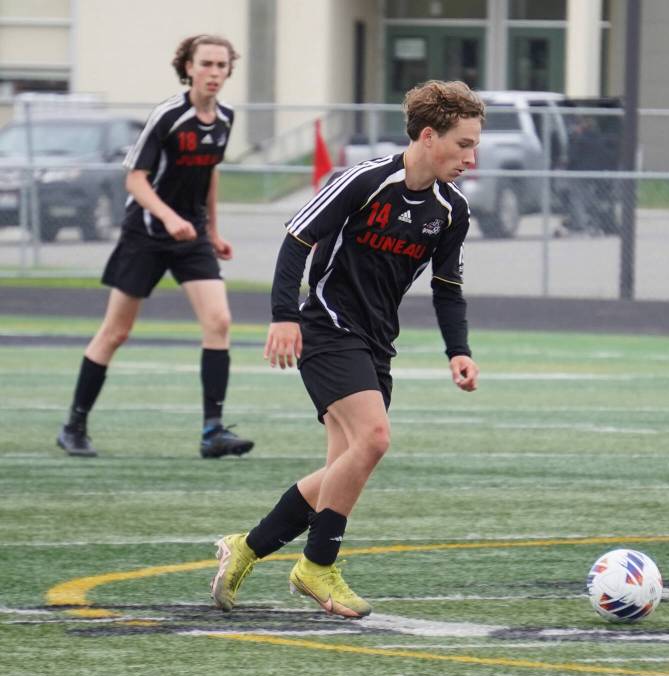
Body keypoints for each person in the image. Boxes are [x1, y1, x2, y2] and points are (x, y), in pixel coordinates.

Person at [210, 80, 483, 617]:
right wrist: (284, 316)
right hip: (328, 328)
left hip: (377, 343)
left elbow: (447, 287)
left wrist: (459, 349)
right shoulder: (365, 181)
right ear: (429, 137)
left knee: (340, 474)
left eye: (474, 146)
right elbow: (297, 239)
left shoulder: (452, 209)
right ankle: (316, 567)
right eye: (464, 144)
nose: (471, 158)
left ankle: (246, 547)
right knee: (375, 440)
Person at [55, 35, 254, 460]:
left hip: (191, 237)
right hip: (146, 234)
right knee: (116, 332)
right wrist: (168, 217)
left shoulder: (225, 117)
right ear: (188, 67)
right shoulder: (169, 116)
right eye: (206, 64)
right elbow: (135, 180)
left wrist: (212, 231)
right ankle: (74, 425)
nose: (214, 72)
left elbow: (211, 173)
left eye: (221, 65)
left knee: (219, 321)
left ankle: (213, 431)